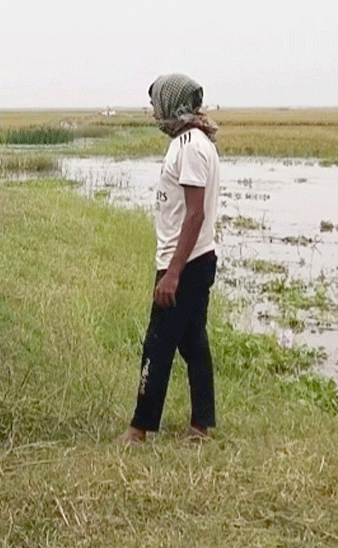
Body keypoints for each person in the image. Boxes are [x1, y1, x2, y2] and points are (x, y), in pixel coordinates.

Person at [121, 74, 221, 445]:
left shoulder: (191, 146)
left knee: (157, 343)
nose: (153, 112)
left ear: (171, 104)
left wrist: (173, 273)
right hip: (191, 259)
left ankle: (139, 429)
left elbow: (194, 214)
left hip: (187, 263)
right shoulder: (188, 142)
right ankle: (201, 426)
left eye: (156, 105)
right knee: (193, 341)